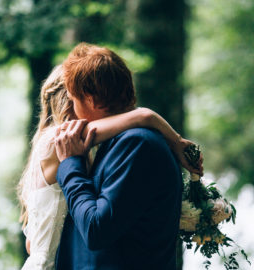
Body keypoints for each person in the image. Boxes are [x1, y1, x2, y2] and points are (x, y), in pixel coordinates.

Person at [18, 63, 203, 268]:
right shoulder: (58, 140)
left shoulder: (52, 146)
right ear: (72, 99)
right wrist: (175, 139)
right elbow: (142, 117)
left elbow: (30, 243)